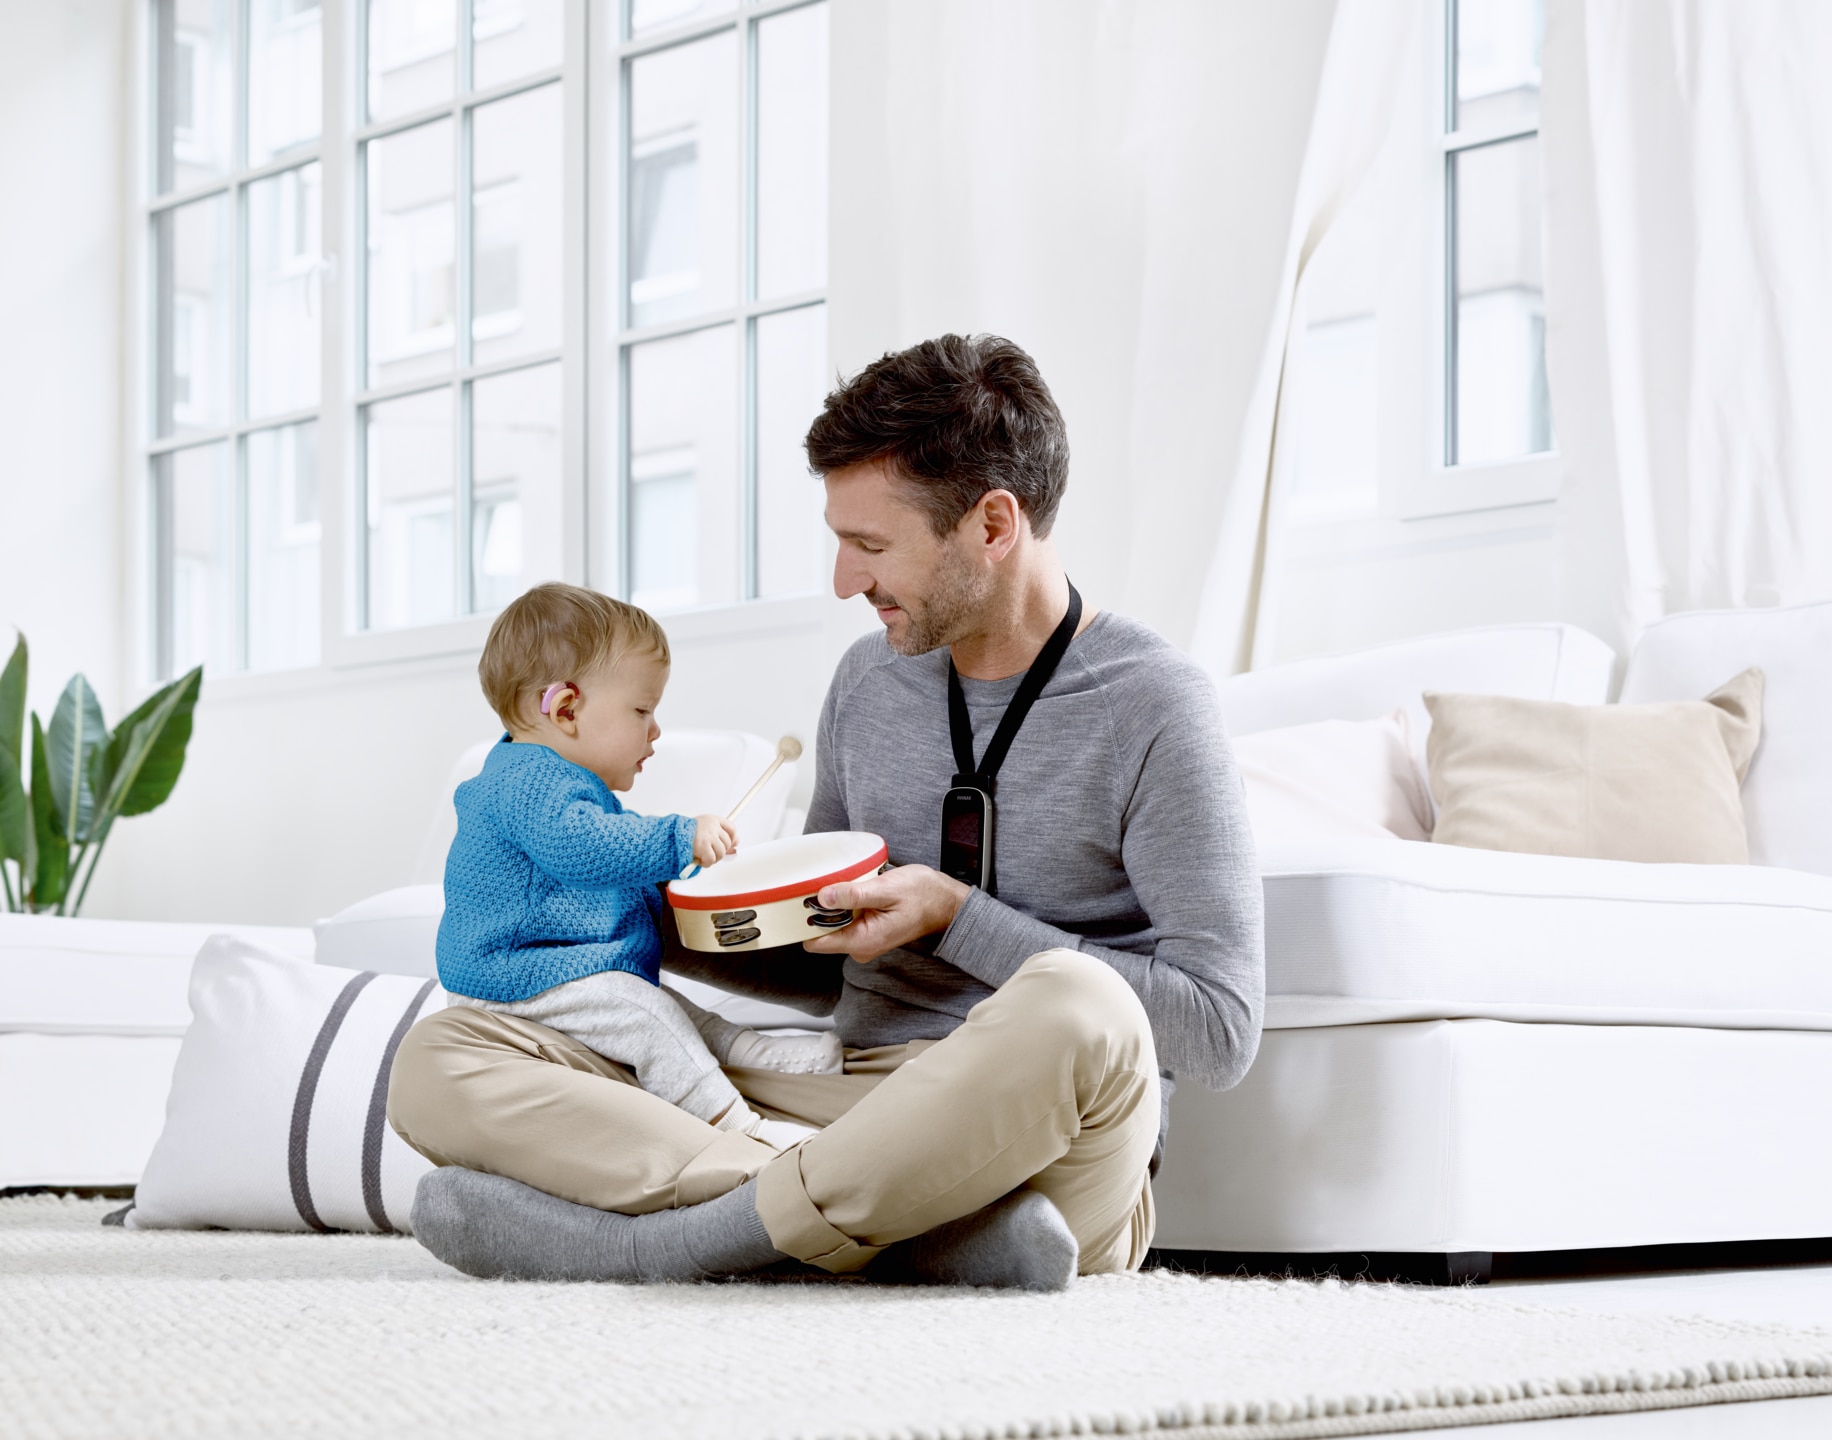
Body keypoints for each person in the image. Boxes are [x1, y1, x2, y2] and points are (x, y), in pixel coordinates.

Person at [388, 334, 1263, 1292]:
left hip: (1037, 1134)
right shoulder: (868, 682)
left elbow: (1219, 1030)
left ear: (993, 524)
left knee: (1076, 1001)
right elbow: (826, 960)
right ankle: (932, 1241)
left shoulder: (1155, 705)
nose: (847, 580)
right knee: (444, 1053)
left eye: (873, 546)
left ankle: (667, 1245)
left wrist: (955, 918)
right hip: (836, 1105)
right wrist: (664, 920)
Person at [436, 583, 837, 1146]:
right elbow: (582, 848)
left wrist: (674, 884)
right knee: (650, 1019)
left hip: (559, 971)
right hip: (514, 977)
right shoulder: (524, 782)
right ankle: (737, 1129)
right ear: (566, 708)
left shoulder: (563, 783)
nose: (655, 730)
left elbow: (609, 879)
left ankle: (767, 1060)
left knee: (674, 1011)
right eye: (642, 710)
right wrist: (677, 837)